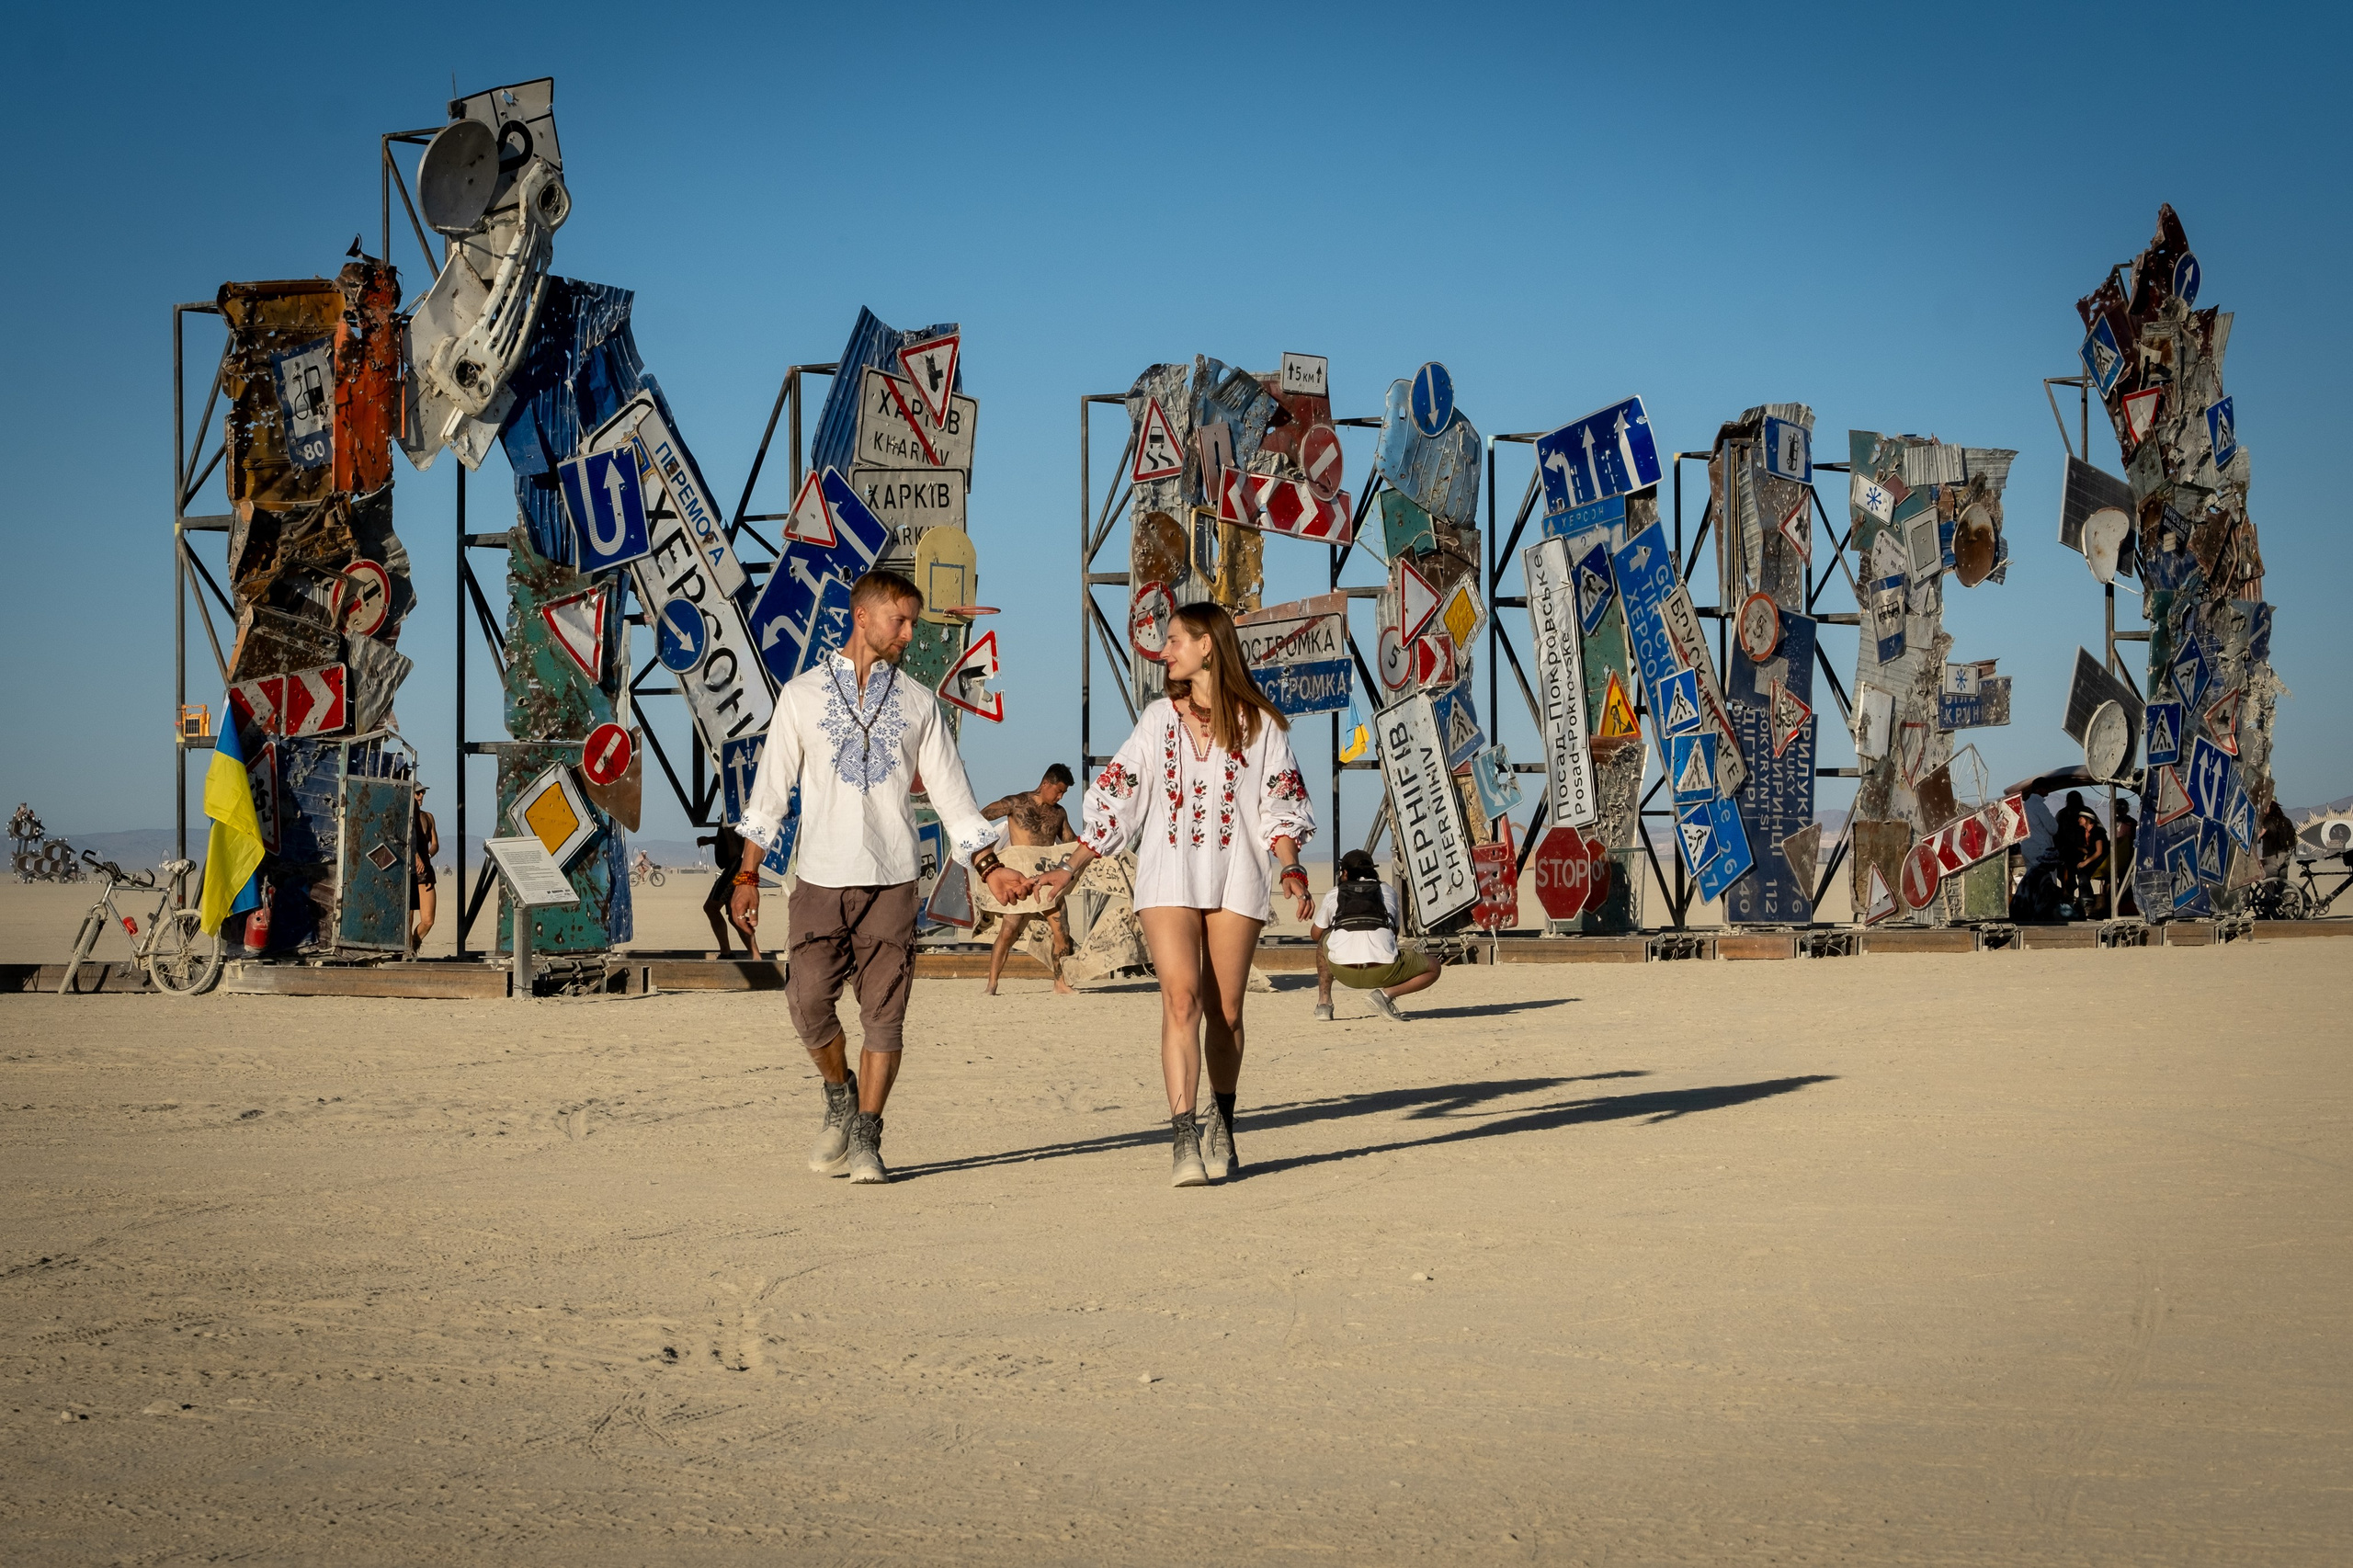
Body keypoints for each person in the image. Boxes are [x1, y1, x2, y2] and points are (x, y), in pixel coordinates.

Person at [731, 569, 1031, 1185]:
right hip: (818, 879)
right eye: (902, 619)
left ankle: (867, 1134)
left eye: (914, 621)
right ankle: (838, 1093)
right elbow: (769, 795)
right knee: (808, 1002)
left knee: (884, 1018)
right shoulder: (803, 696)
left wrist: (991, 866)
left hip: (893, 881)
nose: (910, 632)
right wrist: (746, 875)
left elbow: (953, 797)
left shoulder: (920, 704)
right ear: (862, 616)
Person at [1036, 603, 1314, 1188]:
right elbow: (1119, 798)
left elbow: (1279, 804)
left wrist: (1291, 868)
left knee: (1227, 1012)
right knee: (1181, 1000)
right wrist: (1073, 867)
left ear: (1207, 645)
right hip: (1167, 876)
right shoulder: (1159, 720)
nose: (1164, 651)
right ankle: (1183, 1132)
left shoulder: (1263, 726)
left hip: (1236, 875)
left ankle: (1224, 1121)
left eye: (1174, 640)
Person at [981, 764, 1078, 996]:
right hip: (1019, 882)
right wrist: (988, 856)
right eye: (1058, 791)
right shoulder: (1015, 803)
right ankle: (992, 984)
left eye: (1064, 793)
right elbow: (981, 818)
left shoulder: (1059, 813)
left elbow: (1070, 843)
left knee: (1061, 930)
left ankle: (1060, 982)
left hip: (1045, 880)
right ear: (1045, 784)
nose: (1060, 796)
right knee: (1008, 932)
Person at [1312, 848, 1441, 1022]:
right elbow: (1393, 933)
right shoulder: (1387, 891)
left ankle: (1324, 1004)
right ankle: (1386, 995)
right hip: (1384, 971)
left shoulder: (1334, 894)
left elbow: (1315, 934)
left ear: (1345, 873)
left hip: (1343, 971)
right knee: (1434, 966)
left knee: (1324, 939)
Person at [697, 822, 759, 960]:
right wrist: (710, 840)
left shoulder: (733, 814)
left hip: (736, 865)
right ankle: (755, 955)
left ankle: (726, 952)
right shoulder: (729, 815)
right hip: (735, 864)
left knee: (711, 908)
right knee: (735, 916)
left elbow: (740, 837)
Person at [409, 785, 438, 955]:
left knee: (428, 920)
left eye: (423, 792)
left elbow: (435, 844)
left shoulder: (428, 817)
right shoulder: (405, 816)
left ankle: (413, 944)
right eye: (417, 792)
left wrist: (428, 853)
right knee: (409, 917)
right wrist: (415, 856)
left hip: (425, 872)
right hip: (410, 873)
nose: (421, 795)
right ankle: (406, 951)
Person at [2110, 801, 2139, 918]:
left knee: (2125, 881)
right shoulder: (2113, 821)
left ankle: (2124, 905)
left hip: (2128, 856)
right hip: (2114, 855)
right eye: (2118, 807)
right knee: (2111, 881)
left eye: (2122, 807)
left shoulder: (2131, 823)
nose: (2120, 810)